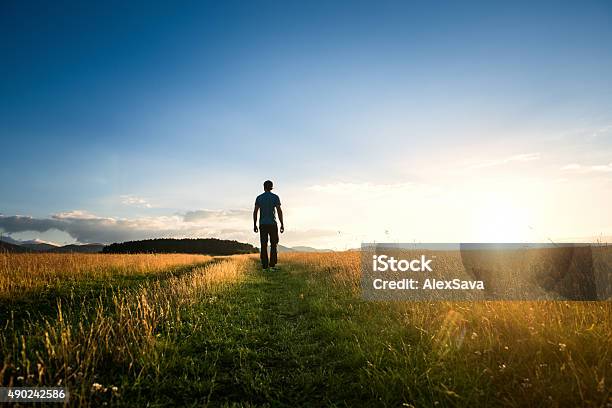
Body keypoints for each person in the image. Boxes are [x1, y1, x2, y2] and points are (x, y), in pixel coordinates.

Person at [253, 180, 284, 270]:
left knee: (263, 244)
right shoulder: (275, 197)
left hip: (263, 224)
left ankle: (265, 265)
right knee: (274, 244)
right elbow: (279, 211)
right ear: (271, 187)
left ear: (264, 187)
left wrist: (254, 224)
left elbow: (255, 212)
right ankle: (272, 264)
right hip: (273, 224)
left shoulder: (259, 198)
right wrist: (282, 223)